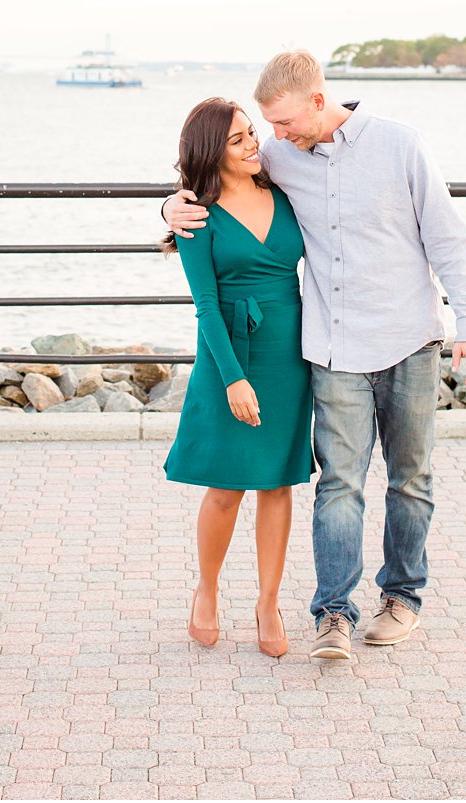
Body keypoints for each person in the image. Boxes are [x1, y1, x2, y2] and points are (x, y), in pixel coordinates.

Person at [165, 50, 466, 662]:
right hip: (330, 348)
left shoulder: (398, 146)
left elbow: (448, 237)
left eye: (279, 124)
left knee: (408, 478)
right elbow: (206, 194)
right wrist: (168, 206)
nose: (271, 138)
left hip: (401, 340)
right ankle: (332, 613)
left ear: (317, 101)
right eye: (262, 129)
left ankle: (398, 600)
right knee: (335, 482)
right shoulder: (280, 159)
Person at [162, 98, 314, 658]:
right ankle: (206, 589)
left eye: (252, 133)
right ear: (210, 153)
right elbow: (204, 304)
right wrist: (232, 379)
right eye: (238, 140)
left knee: (278, 482)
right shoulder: (197, 215)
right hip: (229, 352)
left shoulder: (285, 190)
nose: (254, 144)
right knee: (226, 485)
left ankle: (268, 601)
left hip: (289, 354)